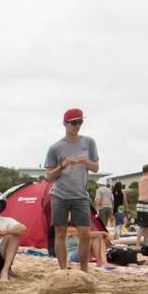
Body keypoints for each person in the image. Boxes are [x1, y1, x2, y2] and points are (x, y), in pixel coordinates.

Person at [44, 108, 100, 272]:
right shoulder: (55, 148)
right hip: (60, 195)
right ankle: (63, 269)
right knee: (60, 231)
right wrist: (63, 165)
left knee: (85, 233)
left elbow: (96, 168)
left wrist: (87, 162)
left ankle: (84, 270)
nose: (77, 126)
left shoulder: (89, 142)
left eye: (80, 122)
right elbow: (49, 177)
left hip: (81, 195)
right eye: (73, 123)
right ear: (65, 124)